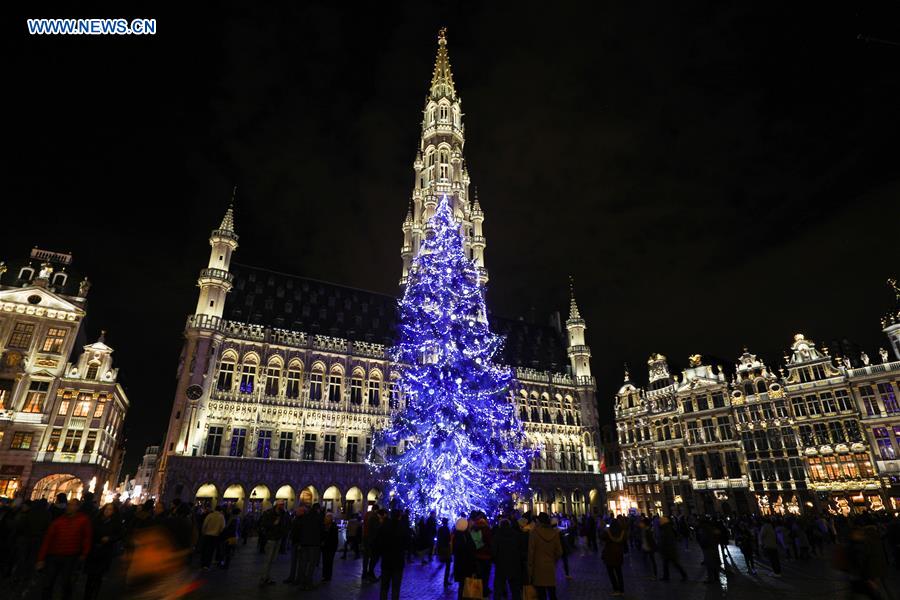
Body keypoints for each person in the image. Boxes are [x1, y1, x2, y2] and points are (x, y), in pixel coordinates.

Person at [37, 498, 93, 600]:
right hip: (54, 555)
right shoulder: (58, 521)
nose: (69, 507)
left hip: (70, 556)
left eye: (72, 505)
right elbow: (48, 539)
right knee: (48, 582)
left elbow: (86, 538)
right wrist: (41, 558)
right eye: (69, 504)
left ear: (77, 507)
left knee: (66, 582)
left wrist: (84, 553)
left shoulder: (83, 520)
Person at [84, 503, 124, 600]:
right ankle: (87, 596)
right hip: (93, 551)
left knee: (98, 577)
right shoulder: (96, 519)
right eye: (106, 509)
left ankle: (94, 595)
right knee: (90, 577)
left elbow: (119, 535)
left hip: (105, 552)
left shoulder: (116, 523)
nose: (107, 511)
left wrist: (110, 539)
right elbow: (90, 532)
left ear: (114, 512)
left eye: (110, 509)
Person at [376, 509, 410, 600]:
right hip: (398, 562)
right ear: (399, 516)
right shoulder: (403, 527)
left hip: (386, 561)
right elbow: (407, 543)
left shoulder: (384, 526)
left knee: (384, 587)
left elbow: (378, 542)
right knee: (396, 588)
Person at [528, 512, 562, 600]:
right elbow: (559, 551)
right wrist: (553, 560)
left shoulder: (534, 533)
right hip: (550, 566)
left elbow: (531, 552)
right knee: (552, 593)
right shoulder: (554, 533)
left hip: (538, 567)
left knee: (541, 594)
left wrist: (530, 569)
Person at [492, 518, 526, 600]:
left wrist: (495, 561)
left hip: (501, 564)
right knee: (515, 588)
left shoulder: (497, 536)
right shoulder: (516, 535)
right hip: (514, 564)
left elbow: (494, 551)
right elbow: (521, 549)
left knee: (498, 587)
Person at [257, 500, 288, 585]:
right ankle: (263, 578)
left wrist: (283, 532)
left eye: (283, 504)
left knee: (273, 560)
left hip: (278, 538)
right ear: (277, 505)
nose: (283, 506)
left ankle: (268, 577)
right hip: (271, 538)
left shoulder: (283, 514)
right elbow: (263, 525)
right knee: (268, 560)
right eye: (281, 504)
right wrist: (273, 524)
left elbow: (285, 524)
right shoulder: (269, 513)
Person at [297, 502, 324, 590]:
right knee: (312, 563)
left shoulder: (305, 516)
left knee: (304, 563)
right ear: (318, 509)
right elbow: (321, 530)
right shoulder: (319, 517)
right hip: (314, 544)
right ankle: (309, 582)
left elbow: (300, 529)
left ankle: (302, 582)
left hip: (304, 543)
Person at [452, 517, 476, 600]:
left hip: (460, 565)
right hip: (466, 565)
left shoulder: (457, 535)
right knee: (464, 586)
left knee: (462, 586)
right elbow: (471, 549)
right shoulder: (465, 536)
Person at [658, 516, 687, 581]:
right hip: (668, 549)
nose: (659, 522)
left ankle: (683, 574)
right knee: (667, 564)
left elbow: (667, 539)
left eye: (660, 521)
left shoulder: (666, 529)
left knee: (675, 564)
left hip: (669, 550)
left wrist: (663, 547)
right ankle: (666, 576)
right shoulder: (666, 528)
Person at [601, 521, 626, 596]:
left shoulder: (608, 531)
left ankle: (616, 589)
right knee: (619, 573)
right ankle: (621, 589)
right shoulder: (622, 532)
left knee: (611, 573)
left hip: (609, 554)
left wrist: (605, 530)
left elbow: (602, 537)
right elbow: (624, 541)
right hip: (618, 554)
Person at [199, 505, 225, 569]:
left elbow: (205, 524)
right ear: (221, 510)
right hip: (215, 536)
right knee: (211, 550)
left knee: (205, 549)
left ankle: (202, 563)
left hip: (207, 534)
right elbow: (222, 527)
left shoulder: (210, 515)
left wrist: (203, 532)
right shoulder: (221, 517)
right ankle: (207, 565)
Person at [362, 505, 382, 582]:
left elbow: (364, 525)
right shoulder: (374, 517)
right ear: (376, 510)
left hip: (365, 537)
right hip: (371, 539)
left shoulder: (367, 514)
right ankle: (370, 573)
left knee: (366, 557)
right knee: (373, 557)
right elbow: (375, 528)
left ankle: (364, 574)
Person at [321, 511, 339, 581]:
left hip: (331, 547)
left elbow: (334, 539)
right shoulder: (324, 526)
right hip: (325, 547)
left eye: (327, 518)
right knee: (325, 561)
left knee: (329, 562)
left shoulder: (334, 527)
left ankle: (328, 576)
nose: (325, 519)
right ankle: (324, 575)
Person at [436, 517, 453, 586]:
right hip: (446, 548)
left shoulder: (440, 529)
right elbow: (449, 539)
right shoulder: (447, 529)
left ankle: (446, 581)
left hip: (441, 548)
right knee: (448, 565)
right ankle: (446, 581)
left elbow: (438, 538)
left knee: (445, 562)